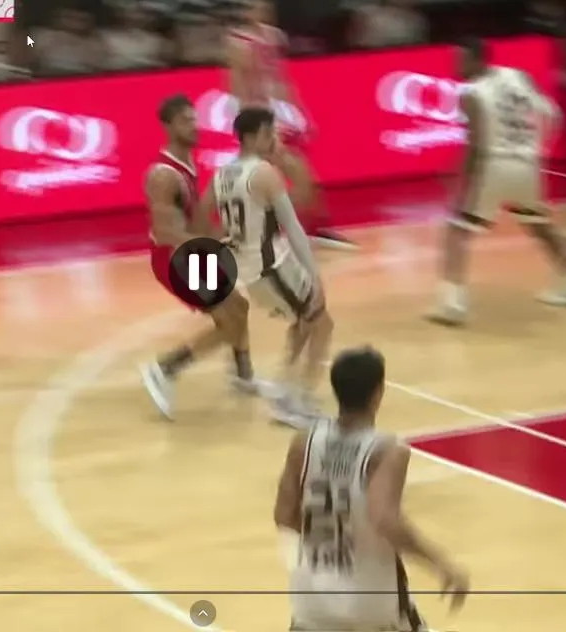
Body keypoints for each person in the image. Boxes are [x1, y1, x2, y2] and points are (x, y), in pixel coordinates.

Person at [273, 346, 470, 631]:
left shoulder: (303, 443)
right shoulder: (387, 450)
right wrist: (441, 563)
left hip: (312, 596)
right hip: (371, 600)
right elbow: (384, 518)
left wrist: (331, 535)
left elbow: (283, 515)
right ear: (378, 394)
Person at [427, 38, 566, 326]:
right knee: (541, 227)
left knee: (457, 230)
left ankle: (453, 303)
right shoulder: (518, 76)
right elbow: (552, 113)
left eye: (461, 60)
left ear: (477, 60)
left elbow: (476, 144)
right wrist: (541, 146)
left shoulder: (472, 93)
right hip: (528, 165)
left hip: (493, 165)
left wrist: (460, 179)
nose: (456, 66)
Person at [198, 107, 333, 428]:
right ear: (253, 136)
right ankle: (298, 399)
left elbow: (201, 220)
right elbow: (293, 226)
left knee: (304, 322)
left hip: (249, 268)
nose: (274, 139)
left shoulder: (220, 174)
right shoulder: (264, 173)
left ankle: (287, 391)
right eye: (269, 133)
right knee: (322, 323)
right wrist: (314, 274)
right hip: (272, 266)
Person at [139, 95, 258, 420]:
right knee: (228, 321)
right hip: (175, 259)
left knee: (239, 307)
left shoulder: (188, 166)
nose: (194, 126)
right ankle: (165, 369)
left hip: (192, 254)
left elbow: (195, 224)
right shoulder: (163, 176)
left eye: (195, 119)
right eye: (185, 121)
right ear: (168, 127)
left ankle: (243, 376)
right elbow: (166, 233)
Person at [227, 0, 355, 250]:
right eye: (255, 8)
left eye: (264, 8)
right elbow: (237, 83)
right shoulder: (238, 42)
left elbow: (282, 79)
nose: (261, 12)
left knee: (303, 176)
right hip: (256, 115)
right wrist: (249, 121)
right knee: (292, 175)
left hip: (279, 113)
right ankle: (263, 232)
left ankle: (313, 227)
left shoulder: (273, 36)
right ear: (245, 12)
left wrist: (301, 113)